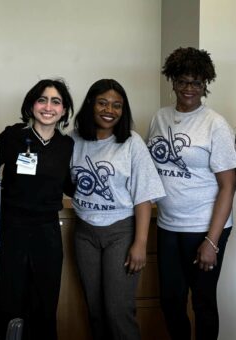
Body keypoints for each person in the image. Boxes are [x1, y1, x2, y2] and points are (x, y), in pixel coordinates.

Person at [146, 47, 236, 340]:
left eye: (196, 82)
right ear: (172, 81)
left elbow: (228, 185)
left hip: (204, 228)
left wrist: (211, 241)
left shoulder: (215, 124)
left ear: (205, 85)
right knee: (170, 302)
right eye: (183, 81)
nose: (189, 88)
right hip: (167, 225)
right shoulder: (159, 118)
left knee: (203, 303)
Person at [70, 79, 165, 340]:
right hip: (84, 233)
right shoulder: (75, 140)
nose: (109, 110)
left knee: (118, 310)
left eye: (116, 105)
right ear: (90, 104)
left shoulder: (131, 143)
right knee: (95, 310)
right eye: (102, 103)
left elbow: (143, 196)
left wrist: (140, 244)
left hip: (120, 233)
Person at [0, 79, 75, 340]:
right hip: (11, 230)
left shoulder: (67, 146)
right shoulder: (13, 136)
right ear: (31, 105)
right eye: (42, 99)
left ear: (64, 110)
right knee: (9, 300)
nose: (48, 107)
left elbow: (69, 186)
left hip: (47, 233)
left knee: (44, 301)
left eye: (56, 101)